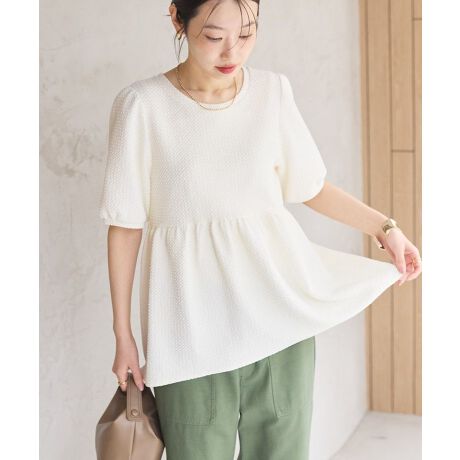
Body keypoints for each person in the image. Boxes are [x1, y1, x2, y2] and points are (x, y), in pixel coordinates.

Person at [98, 1, 422, 458]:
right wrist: (123, 334)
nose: (232, 51)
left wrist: (385, 228)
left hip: (279, 320)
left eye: (247, 34)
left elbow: (311, 186)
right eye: (214, 36)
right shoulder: (142, 106)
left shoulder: (272, 93)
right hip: (190, 328)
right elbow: (125, 225)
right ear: (177, 18)